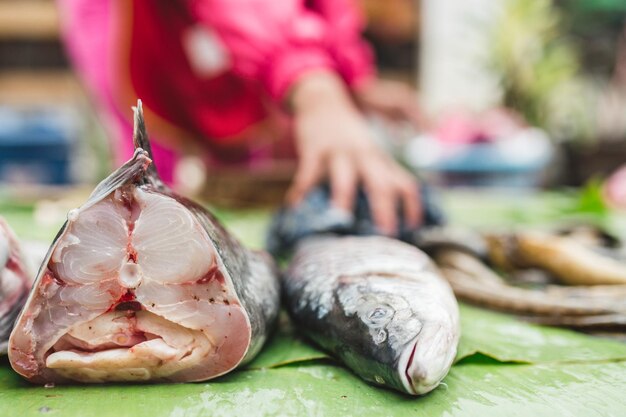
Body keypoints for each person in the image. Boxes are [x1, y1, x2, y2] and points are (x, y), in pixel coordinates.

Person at [57, 0, 422, 235]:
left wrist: (350, 76)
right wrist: (314, 85)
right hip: (142, 18)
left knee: (243, 157)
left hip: (259, 25)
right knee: (148, 161)